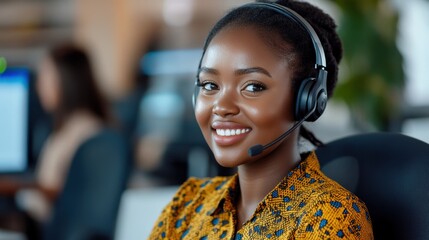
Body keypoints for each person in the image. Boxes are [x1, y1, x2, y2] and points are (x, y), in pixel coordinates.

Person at [149, 0, 373, 239]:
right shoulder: (187, 204)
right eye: (210, 85)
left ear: (306, 99)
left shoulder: (329, 218)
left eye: (253, 87)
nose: (222, 107)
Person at [16, 43, 111, 224]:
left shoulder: (80, 135)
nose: (39, 86)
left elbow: (48, 198)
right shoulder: (78, 128)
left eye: (45, 77)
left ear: (65, 80)